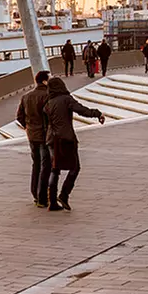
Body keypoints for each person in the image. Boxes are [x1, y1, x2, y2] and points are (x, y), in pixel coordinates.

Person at [42, 77, 105, 211]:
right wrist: (97, 113)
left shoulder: (48, 103)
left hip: (51, 140)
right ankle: (64, 195)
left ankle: (52, 202)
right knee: (75, 167)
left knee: (55, 169)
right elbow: (81, 110)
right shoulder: (66, 99)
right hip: (65, 139)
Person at [16, 71, 53, 207]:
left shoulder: (26, 97)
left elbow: (19, 116)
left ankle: (35, 194)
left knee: (36, 164)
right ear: (44, 81)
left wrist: (28, 127)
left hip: (32, 136)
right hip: (44, 136)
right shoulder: (48, 96)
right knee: (46, 165)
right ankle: (42, 196)